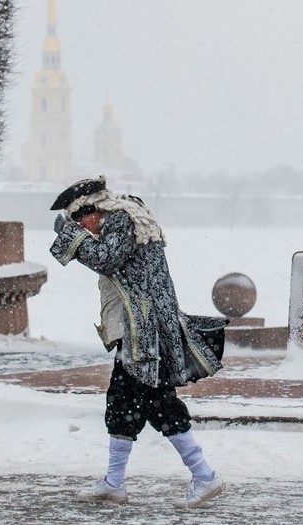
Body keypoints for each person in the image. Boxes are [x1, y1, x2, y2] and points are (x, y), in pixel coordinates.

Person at [49, 176, 228, 508]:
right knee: (125, 405)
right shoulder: (123, 216)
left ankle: (204, 476)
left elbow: (105, 258)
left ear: (93, 209)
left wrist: (69, 236)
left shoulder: (122, 217)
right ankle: (115, 483)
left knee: (155, 403)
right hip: (138, 331)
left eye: (79, 219)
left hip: (147, 332)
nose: (82, 226)